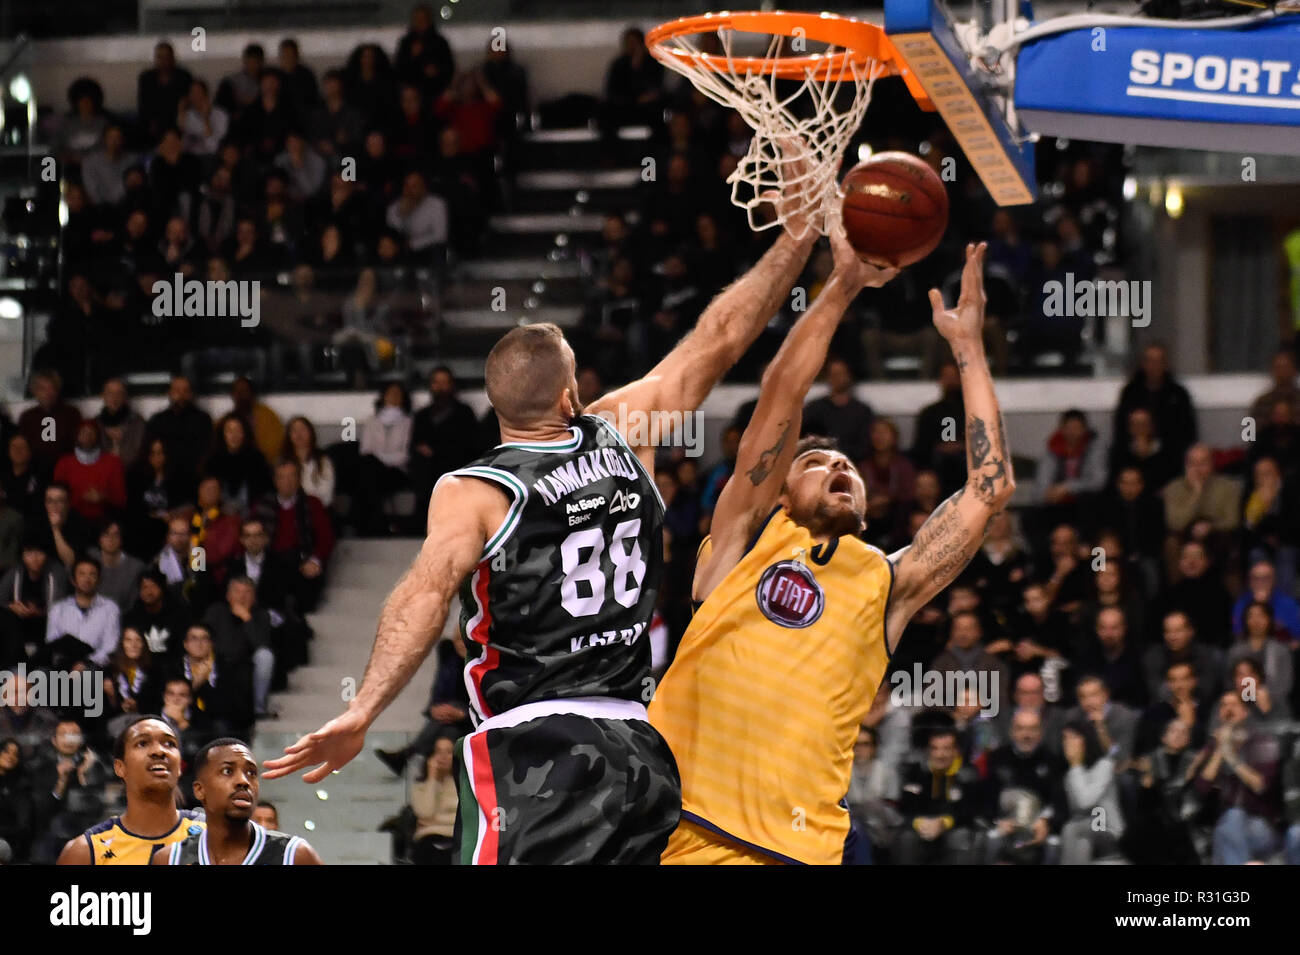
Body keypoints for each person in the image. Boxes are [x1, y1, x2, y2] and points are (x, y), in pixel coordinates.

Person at [265, 175, 824, 865]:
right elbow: (720, 335)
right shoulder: (624, 430)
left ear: (500, 409)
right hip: (640, 752)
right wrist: (799, 237)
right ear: (570, 395)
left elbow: (424, 591)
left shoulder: (475, 489)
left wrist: (364, 708)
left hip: (537, 749)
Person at [650, 241, 1018, 865]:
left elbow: (991, 488)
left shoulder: (886, 580)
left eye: (845, 462)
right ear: (781, 492)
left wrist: (968, 349)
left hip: (800, 848)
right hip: (684, 822)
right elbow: (783, 390)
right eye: (814, 462)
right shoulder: (745, 538)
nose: (838, 463)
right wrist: (843, 284)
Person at [56, 715, 205, 865]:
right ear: (120, 768)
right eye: (142, 743)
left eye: (169, 743)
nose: (159, 751)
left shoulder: (211, 834)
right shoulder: (85, 851)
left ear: (179, 767)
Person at [157, 738, 320, 865]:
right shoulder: (170, 859)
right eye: (227, 771)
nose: (243, 781)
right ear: (200, 790)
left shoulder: (294, 855)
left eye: (251, 773)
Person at [1193, 691, 1282, 864]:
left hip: (1262, 827)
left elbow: (1260, 785)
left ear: (1245, 712)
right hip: (1226, 826)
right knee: (1226, 828)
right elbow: (1201, 789)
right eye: (1224, 706)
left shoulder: (1263, 742)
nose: (1228, 710)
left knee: (1231, 820)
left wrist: (1231, 756)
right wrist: (1220, 749)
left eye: (1233, 705)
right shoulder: (1213, 745)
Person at [409, 367, 478, 517]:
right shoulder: (422, 415)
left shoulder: (464, 412)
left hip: (456, 465)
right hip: (427, 468)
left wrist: (438, 450)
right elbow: (415, 444)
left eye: (445, 382)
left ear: (452, 385)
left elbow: (470, 445)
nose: (441, 387)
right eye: (436, 382)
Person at [1112, 342, 1197, 464]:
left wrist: (1157, 446)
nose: (1154, 366)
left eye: (1159, 361)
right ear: (1143, 364)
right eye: (1150, 361)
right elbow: (1120, 429)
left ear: (1166, 364)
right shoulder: (1130, 392)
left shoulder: (1178, 394)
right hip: (1133, 454)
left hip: (1170, 456)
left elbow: (1188, 432)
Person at [1060, 720, 1125, 863]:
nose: (1068, 743)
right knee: (1081, 840)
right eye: (1065, 738)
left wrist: (1076, 765)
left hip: (1106, 827)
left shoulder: (1104, 766)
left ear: (1087, 739)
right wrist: (1075, 767)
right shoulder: (1070, 773)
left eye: (1074, 737)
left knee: (1072, 829)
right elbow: (1074, 810)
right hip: (1083, 829)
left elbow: (1086, 802)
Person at [45, 556, 120, 668]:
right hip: (64, 666)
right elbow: (52, 641)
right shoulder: (58, 608)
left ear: (99, 580)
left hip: (95, 667)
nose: (87, 579)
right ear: (73, 580)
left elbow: (110, 647)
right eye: (82, 574)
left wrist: (86, 663)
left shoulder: (110, 608)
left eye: (92, 574)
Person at [144, 375, 214, 489]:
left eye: (185, 391)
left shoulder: (203, 419)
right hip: (165, 477)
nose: (181, 395)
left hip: (193, 477)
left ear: (191, 394)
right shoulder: (158, 420)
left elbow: (207, 450)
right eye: (177, 391)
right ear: (170, 393)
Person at [801, 356, 873, 463]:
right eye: (833, 374)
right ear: (827, 377)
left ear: (849, 376)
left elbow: (865, 446)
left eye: (841, 373)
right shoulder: (814, 409)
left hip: (853, 466)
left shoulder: (862, 411)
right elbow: (803, 440)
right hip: (820, 465)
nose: (837, 378)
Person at [407, 735, 458, 865]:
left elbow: (466, 817)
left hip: (458, 837)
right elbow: (426, 813)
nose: (443, 756)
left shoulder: (464, 784)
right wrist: (432, 777)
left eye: (448, 752)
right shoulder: (421, 785)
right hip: (428, 837)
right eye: (438, 751)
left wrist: (434, 821)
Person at [89, 518, 145, 611]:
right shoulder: (90, 558)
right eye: (106, 534)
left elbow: (133, 605)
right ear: (99, 539)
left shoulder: (136, 568)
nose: (111, 539)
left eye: (116, 535)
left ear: (121, 539)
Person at [281, 416, 335, 510]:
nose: (299, 434)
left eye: (303, 429)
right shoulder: (283, 461)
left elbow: (327, 496)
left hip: (318, 511)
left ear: (311, 433)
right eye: (294, 430)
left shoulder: (323, 461)